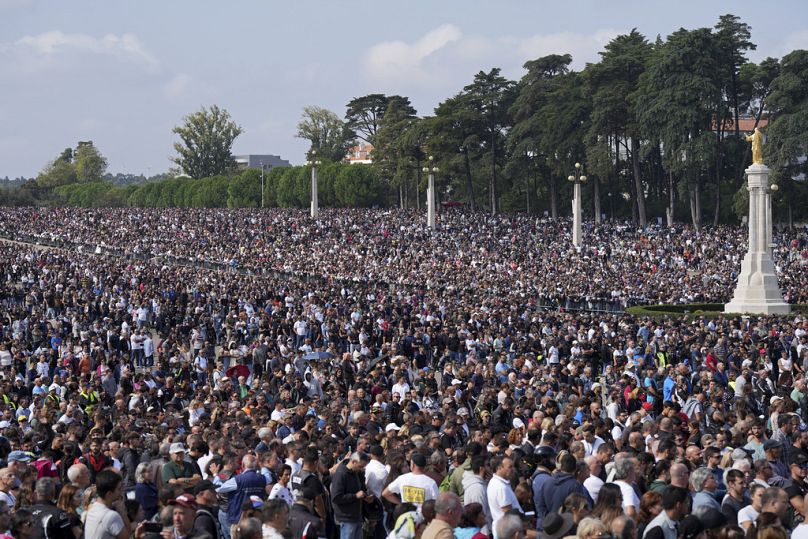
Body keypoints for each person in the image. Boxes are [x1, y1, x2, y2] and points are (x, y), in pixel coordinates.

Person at [216, 454, 267, 532]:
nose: (237, 465)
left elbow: (218, 489)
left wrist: (215, 476)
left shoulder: (237, 479)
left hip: (238, 517)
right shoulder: (263, 478)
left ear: (243, 465)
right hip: (255, 517)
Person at [83, 469, 134, 539]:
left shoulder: (92, 508)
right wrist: (122, 511)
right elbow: (128, 536)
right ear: (109, 494)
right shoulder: (111, 516)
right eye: (119, 489)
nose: (121, 491)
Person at [331, 451, 370, 539]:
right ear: (353, 462)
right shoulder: (341, 474)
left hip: (356, 516)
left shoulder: (356, 472)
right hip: (346, 518)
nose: (361, 469)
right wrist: (355, 496)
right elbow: (336, 497)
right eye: (360, 466)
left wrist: (365, 496)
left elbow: (361, 489)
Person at [487, 455, 522, 532]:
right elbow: (508, 513)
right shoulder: (500, 487)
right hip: (508, 531)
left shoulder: (496, 482)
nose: (513, 469)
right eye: (510, 467)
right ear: (499, 468)